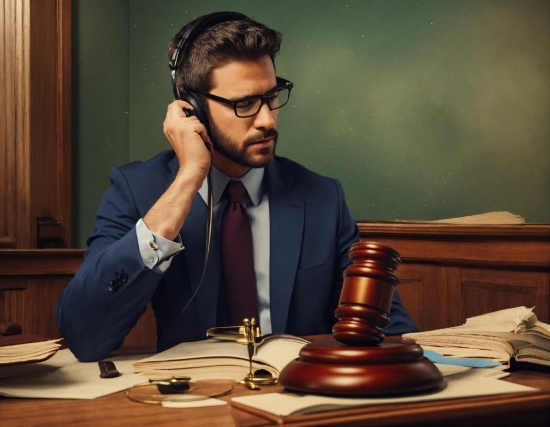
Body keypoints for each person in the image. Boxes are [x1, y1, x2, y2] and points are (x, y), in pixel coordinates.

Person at [56, 12, 417, 362]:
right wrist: (188, 178)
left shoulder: (322, 198)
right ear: (192, 108)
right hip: (194, 408)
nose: (266, 119)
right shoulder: (136, 189)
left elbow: (388, 331)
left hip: (297, 400)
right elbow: (85, 336)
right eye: (244, 104)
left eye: (272, 96)